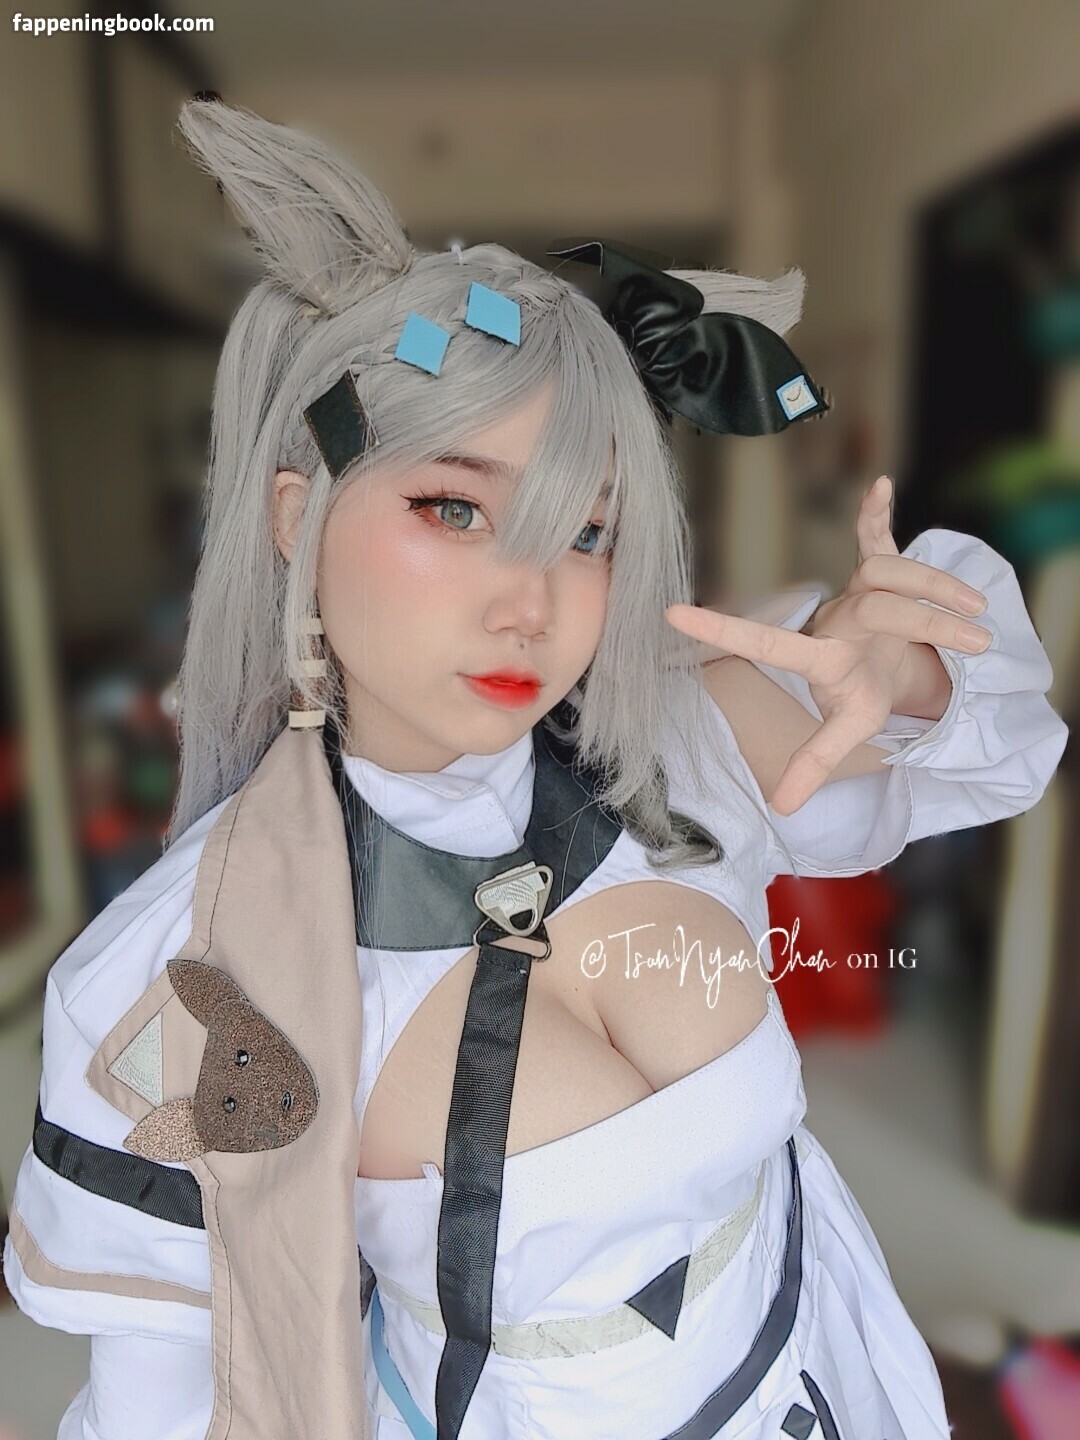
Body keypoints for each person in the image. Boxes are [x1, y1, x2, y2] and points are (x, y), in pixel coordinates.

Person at [2, 99, 1068, 1440]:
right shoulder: (187, 974)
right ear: (297, 518)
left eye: (586, 530)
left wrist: (905, 674)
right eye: (454, 508)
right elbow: (162, 1403)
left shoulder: (674, 756)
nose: (532, 603)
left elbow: (996, 744)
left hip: (830, 1375)